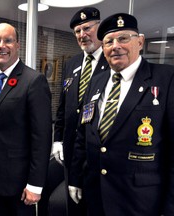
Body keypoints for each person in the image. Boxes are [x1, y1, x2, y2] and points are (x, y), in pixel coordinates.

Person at [69, 12, 174, 216]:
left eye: (123, 38)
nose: (115, 46)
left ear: (140, 41)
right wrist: (75, 178)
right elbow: (83, 133)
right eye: (108, 41)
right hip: (96, 194)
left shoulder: (166, 79)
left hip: (141, 201)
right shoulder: (96, 81)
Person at [0, 23, 52, 216]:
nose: (1, 45)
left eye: (8, 40)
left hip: (21, 181)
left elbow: (42, 137)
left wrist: (35, 184)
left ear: (17, 45)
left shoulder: (33, 81)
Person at [42, 7, 109, 216]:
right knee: (74, 206)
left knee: (95, 204)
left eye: (87, 28)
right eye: (78, 31)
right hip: (72, 151)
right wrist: (58, 139)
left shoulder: (113, 61)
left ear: (100, 27)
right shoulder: (72, 63)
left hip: (98, 153)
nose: (82, 35)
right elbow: (64, 106)